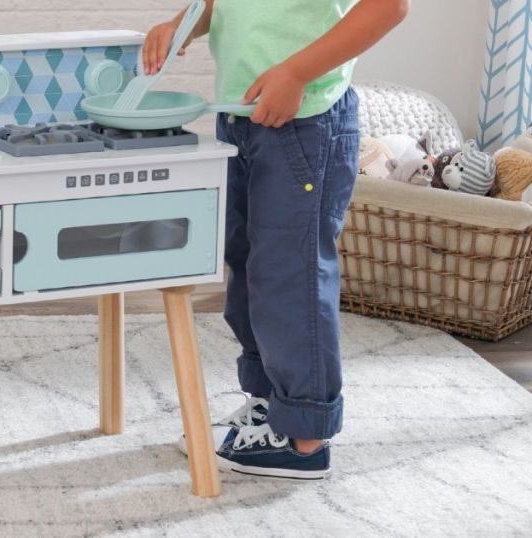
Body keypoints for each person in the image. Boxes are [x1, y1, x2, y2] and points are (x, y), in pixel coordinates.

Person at [146, 0, 410, 479]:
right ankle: (273, 406)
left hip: (306, 121)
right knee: (250, 270)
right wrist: (182, 26)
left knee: (293, 278)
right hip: (243, 115)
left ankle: (306, 437)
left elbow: (388, 7)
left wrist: (296, 73)